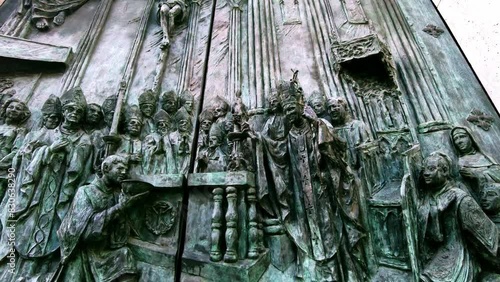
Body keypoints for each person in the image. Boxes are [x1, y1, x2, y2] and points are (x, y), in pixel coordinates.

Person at [255, 73, 365, 281]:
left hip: (323, 193)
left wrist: (318, 129)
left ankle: (337, 275)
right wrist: (259, 140)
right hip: (302, 198)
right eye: (285, 110)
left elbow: (336, 157)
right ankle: (310, 274)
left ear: (300, 104)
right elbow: (280, 156)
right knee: (307, 235)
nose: (289, 113)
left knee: (329, 233)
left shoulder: (320, 126)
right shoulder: (291, 135)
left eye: (291, 108)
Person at [57, 154, 149, 281]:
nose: (124, 173)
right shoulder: (85, 192)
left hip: (105, 250)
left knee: (125, 255)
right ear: (106, 168)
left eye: (126, 170)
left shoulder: (117, 194)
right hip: (84, 252)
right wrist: (119, 208)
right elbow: (83, 231)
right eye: (120, 169)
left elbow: (120, 234)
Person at [418, 152, 500, 282]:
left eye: (432, 169)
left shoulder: (461, 199)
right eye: (425, 169)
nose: (426, 173)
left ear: (445, 171)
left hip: (460, 256)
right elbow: (435, 238)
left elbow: (486, 238)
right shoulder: (428, 198)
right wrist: (437, 211)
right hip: (440, 254)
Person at [450, 126, 500, 199]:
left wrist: (477, 175)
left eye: (462, 136)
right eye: (455, 139)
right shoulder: (457, 163)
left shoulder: (486, 157)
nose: (459, 141)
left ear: (471, 138)